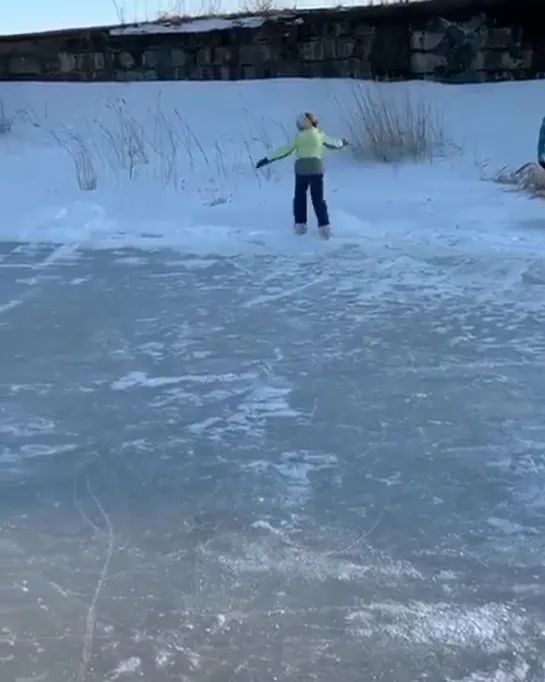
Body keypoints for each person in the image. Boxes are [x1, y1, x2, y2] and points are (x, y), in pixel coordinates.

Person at [255, 112, 348, 239]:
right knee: (318, 199)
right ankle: (324, 227)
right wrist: (342, 143)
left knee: (300, 198)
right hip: (316, 168)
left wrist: (268, 159)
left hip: (301, 170)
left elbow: (285, 151)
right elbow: (333, 144)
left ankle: (300, 225)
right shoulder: (319, 135)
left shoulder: (299, 137)